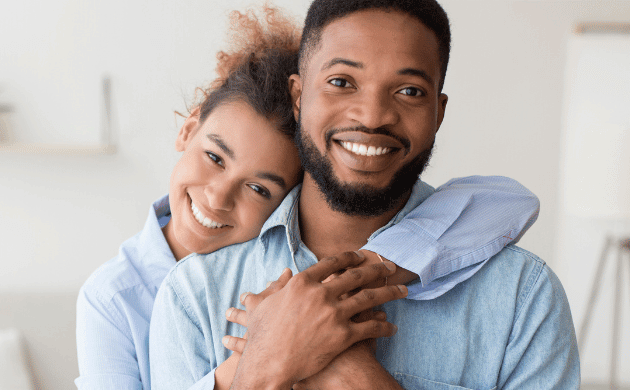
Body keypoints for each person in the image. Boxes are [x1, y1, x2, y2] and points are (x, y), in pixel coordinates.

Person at [77, 6, 542, 390]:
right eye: (341, 82)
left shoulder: (522, 296)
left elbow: (510, 200)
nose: (372, 116)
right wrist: (262, 360)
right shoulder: (180, 294)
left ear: (438, 112)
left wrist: (360, 367)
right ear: (301, 99)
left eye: (408, 90)